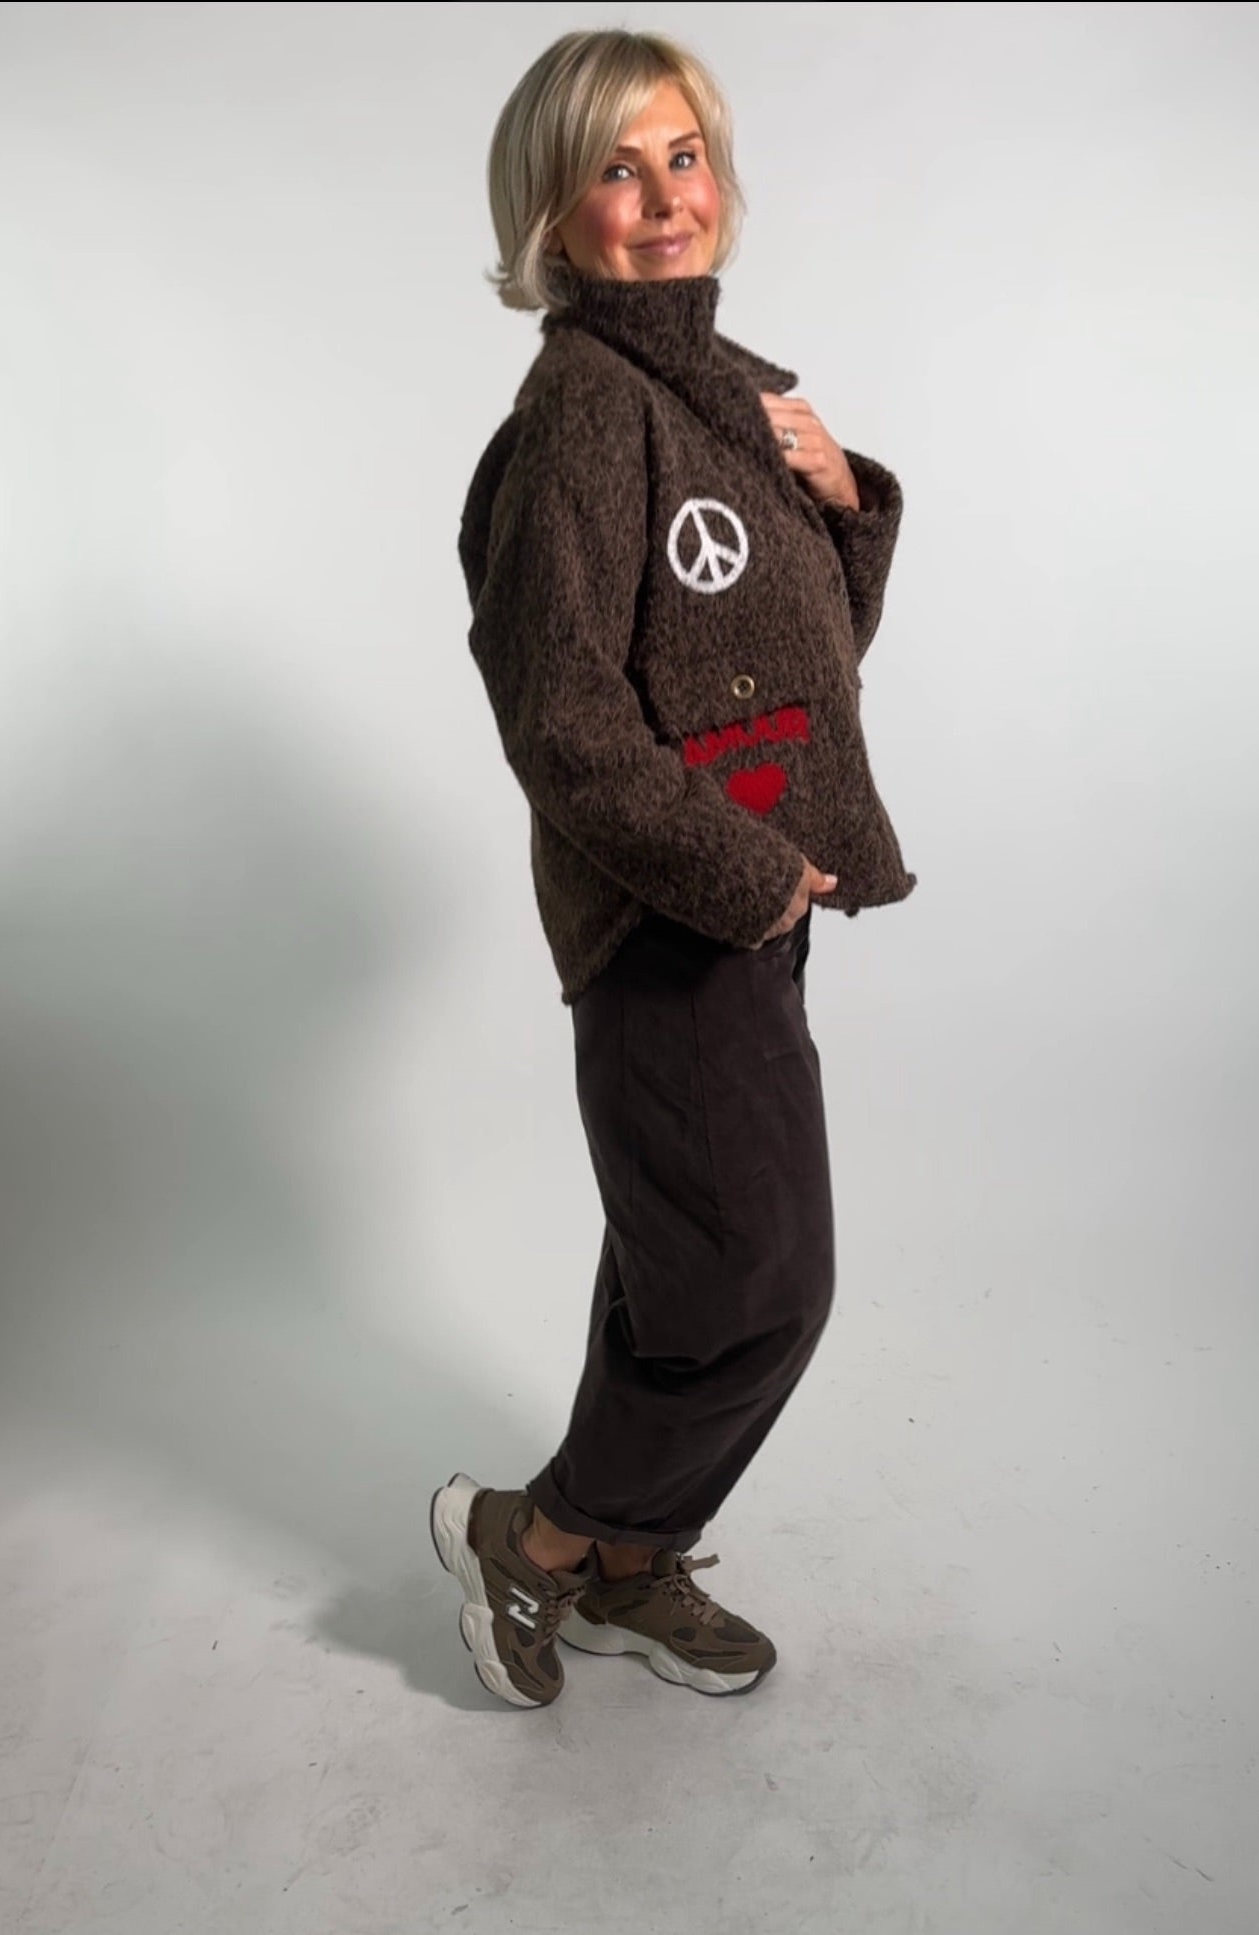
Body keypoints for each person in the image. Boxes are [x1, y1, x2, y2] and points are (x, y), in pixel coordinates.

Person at [430, 27, 916, 1708]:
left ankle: (628, 1565)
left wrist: (842, 506)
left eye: (681, 157)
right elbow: (560, 720)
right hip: (665, 920)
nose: (660, 199)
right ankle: (540, 1537)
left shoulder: (723, 389)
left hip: (743, 901)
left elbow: (791, 662)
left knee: (679, 1268)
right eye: (614, 171)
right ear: (552, 214)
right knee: (757, 1286)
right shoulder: (583, 410)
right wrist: (744, 877)